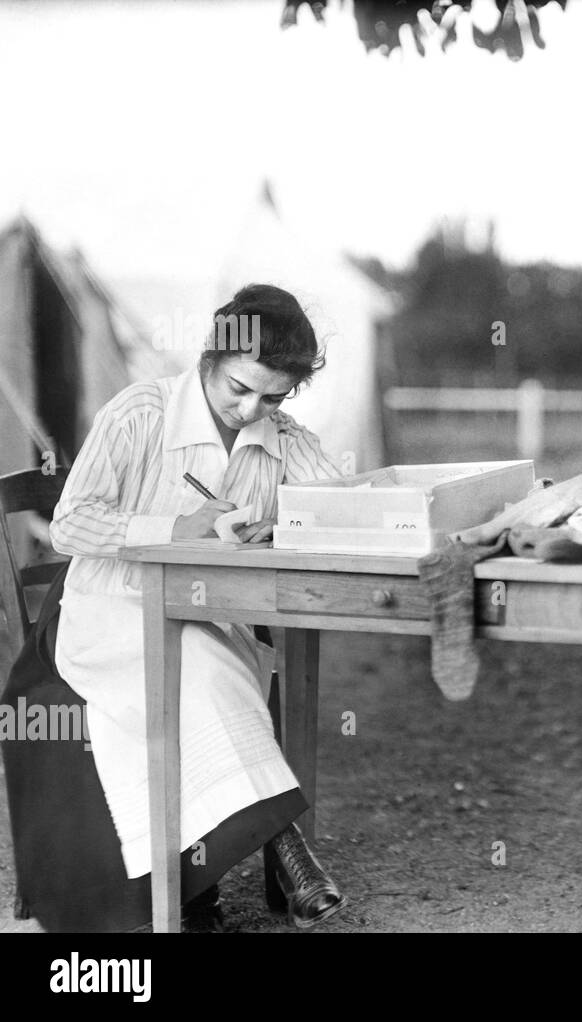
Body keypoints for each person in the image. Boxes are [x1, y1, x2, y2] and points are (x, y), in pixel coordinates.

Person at [40, 283, 347, 931]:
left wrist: (287, 526)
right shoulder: (139, 415)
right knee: (201, 665)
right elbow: (70, 525)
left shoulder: (280, 435)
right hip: (110, 611)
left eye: (273, 395)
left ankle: (199, 884)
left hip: (211, 613)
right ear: (210, 355)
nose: (250, 408)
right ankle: (283, 843)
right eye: (239, 387)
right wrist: (171, 531)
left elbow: (343, 511)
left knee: (212, 654)